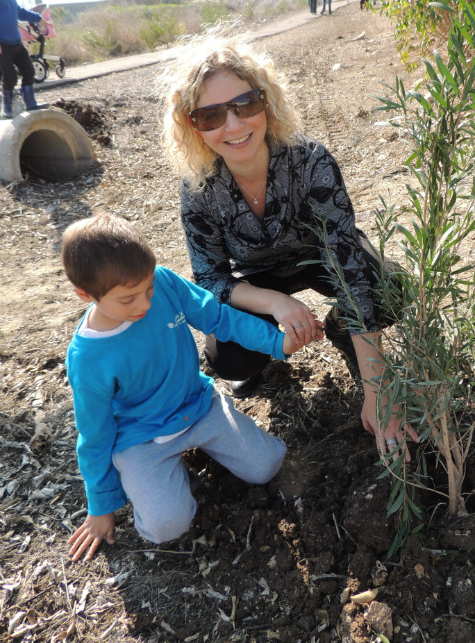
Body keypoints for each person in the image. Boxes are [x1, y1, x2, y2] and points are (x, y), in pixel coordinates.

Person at [162, 34, 419, 459]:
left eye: (245, 104)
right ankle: (267, 357)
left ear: (266, 101)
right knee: (228, 358)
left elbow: (347, 262)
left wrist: (377, 388)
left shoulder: (310, 161)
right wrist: (277, 304)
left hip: (323, 259)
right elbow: (210, 279)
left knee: (390, 287)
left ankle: (344, 330)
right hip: (259, 280)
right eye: (210, 116)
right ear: (193, 125)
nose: (234, 125)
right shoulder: (200, 190)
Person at [62, 212, 321, 562]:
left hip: (199, 406)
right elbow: (93, 434)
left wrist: (277, 343)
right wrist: (101, 505)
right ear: (84, 294)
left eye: (148, 288)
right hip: (142, 438)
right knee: (165, 527)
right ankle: (159, 477)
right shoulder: (88, 357)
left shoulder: (165, 283)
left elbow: (218, 316)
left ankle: (195, 453)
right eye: (128, 299)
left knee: (267, 466)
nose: (145, 303)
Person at [0, 0, 49, 118]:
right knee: (10, 78)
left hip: (17, 43)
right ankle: (7, 107)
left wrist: (38, 17)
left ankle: (30, 103)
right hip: (3, 47)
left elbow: (20, 11)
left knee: (29, 71)